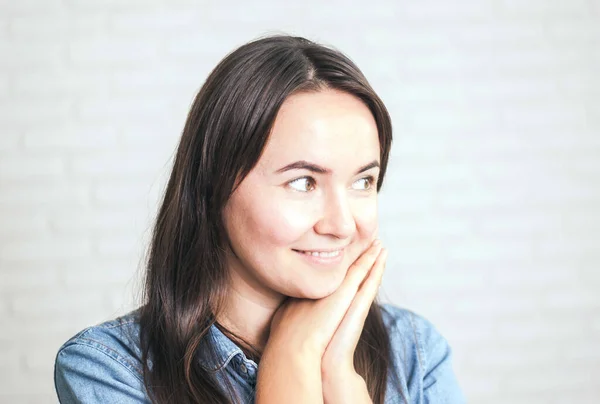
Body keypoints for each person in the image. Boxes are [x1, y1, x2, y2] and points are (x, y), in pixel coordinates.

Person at [54, 35, 465, 404]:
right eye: (303, 182)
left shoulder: (414, 350)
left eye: (363, 181)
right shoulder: (110, 368)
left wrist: (338, 376)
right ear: (215, 185)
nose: (342, 225)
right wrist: (291, 357)